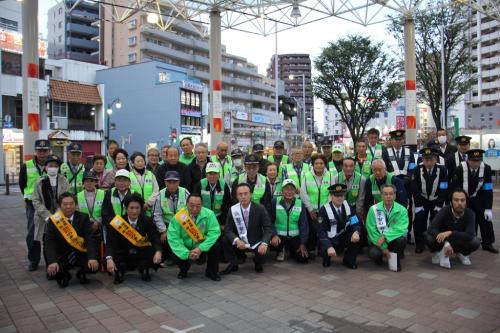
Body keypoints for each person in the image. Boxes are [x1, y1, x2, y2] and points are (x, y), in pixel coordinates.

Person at [45, 192, 100, 287]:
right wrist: (52, 261)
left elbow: (90, 238)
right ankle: (65, 275)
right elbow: (49, 243)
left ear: (76, 205)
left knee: (93, 266)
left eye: (71, 203)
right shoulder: (53, 220)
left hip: (80, 253)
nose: (68, 207)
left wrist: (92, 258)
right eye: (65, 204)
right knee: (55, 272)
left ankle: (81, 273)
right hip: (62, 255)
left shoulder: (83, 217)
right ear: (59, 206)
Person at [105, 193, 162, 283]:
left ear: (141, 208)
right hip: (123, 252)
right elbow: (110, 243)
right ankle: (120, 270)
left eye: (137, 208)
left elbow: (155, 238)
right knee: (112, 255)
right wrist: (109, 259)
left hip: (140, 252)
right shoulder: (117, 223)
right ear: (126, 208)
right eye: (131, 208)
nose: (134, 211)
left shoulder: (147, 220)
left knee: (153, 250)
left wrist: (158, 252)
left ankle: (144, 268)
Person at [451, 149, 497, 253]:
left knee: (485, 220)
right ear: (468, 160)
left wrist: (488, 208)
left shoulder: (486, 169)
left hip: (480, 199)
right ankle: (466, 242)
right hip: (463, 200)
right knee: (465, 221)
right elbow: (455, 187)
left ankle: (487, 243)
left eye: (478, 161)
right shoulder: (459, 169)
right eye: (473, 161)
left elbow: (488, 189)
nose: (475, 163)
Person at [167, 194, 222, 281]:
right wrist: (187, 253)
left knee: (216, 246)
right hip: (185, 247)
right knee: (174, 253)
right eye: (192, 206)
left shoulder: (209, 214)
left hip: (201, 246)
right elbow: (174, 238)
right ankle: (184, 269)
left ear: (202, 204)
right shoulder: (178, 217)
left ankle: (212, 272)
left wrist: (201, 248)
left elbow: (214, 232)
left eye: (198, 206)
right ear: (186, 204)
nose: (195, 209)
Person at [222, 183, 273, 274]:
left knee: (264, 250)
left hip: (256, 241)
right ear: (236, 196)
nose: (243, 197)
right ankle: (234, 263)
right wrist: (237, 240)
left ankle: (257, 262)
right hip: (240, 242)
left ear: (251, 194)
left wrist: (264, 243)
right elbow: (227, 229)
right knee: (225, 240)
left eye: (246, 193)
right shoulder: (233, 209)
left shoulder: (260, 208)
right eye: (240, 194)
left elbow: (268, 228)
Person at [425, 189, 481, 268]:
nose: (459, 203)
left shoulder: (470, 213)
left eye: (462, 200)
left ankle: (462, 254)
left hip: (459, 240)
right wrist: (445, 243)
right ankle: (437, 252)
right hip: (443, 242)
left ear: (466, 202)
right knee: (428, 237)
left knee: (475, 242)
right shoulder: (444, 210)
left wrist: (450, 232)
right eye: (456, 200)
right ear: (451, 202)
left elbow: (470, 234)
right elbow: (431, 228)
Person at [19, 139, 51, 271]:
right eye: (40, 151)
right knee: (33, 233)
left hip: (49, 204)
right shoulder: (27, 166)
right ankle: (34, 260)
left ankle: (51, 259)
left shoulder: (54, 165)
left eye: (45, 150)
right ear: (35, 151)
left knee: (49, 233)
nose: (42, 153)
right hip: (32, 205)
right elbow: (22, 185)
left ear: (49, 151)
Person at [411, 148, 448, 253]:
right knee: (419, 220)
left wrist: (439, 204)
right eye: (426, 160)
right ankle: (420, 244)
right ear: (422, 159)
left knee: (436, 221)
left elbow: (444, 187)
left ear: (435, 159)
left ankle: (434, 244)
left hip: (436, 199)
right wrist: (418, 205)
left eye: (431, 159)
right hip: (422, 199)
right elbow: (415, 188)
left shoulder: (443, 169)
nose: (428, 162)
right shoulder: (417, 169)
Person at [32, 155, 70, 256]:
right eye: (50, 165)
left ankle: (61, 263)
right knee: (47, 241)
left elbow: (67, 198)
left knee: (61, 240)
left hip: (60, 215)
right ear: (45, 167)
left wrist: (59, 211)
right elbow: (35, 200)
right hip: (44, 218)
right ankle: (50, 264)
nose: (53, 168)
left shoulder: (64, 180)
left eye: (55, 166)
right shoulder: (39, 182)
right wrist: (47, 215)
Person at [317, 184, 362, 269]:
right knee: (325, 260)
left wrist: (356, 232)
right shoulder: (324, 210)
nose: (339, 198)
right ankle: (327, 255)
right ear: (331, 196)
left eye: (341, 195)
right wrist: (328, 246)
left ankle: (348, 260)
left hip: (343, 237)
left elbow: (355, 222)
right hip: (330, 240)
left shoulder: (347, 206)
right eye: (336, 195)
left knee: (356, 237)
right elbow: (321, 231)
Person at [366, 184, 408, 272]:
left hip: (392, 239)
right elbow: (371, 230)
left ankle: (395, 259)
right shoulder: (373, 209)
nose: (388, 196)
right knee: (374, 253)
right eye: (385, 194)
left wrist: (385, 236)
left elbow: (401, 228)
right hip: (378, 241)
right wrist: (384, 247)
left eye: (391, 194)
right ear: (381, 195)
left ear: (395, 195)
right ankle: (380, 257)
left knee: (401, 240)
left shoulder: (402, 210)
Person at [300, 154, 336, 257]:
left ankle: (323, 248)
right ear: (313, 164)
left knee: (324, 229)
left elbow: (332, 193)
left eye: (321, 163)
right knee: (311, 230)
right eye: (316, 163)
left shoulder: (330, 176)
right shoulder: (306, 176)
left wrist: (326, 208)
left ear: (325, 164)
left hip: (325, 210)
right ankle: (311, 249)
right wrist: (310, 209)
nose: (319, 165)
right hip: (311, 210)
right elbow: (303, 193)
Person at [152, 171, 190, 264]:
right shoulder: (159, 195)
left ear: (179, 182)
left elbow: (191, 211)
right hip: (167, 224)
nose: (172, 185)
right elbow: (156, 215)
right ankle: (168, 257)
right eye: (169, 182)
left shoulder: (185, 192)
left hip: (183, 224)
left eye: (174, 182)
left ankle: (185, 255)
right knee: (162, 236)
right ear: (165, 182)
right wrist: (163, 230)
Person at [269, 179, 309, 263]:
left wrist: (303, 243)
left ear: (295, 191)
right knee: (273, 244)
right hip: (279, 237)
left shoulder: (300, 203)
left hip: (294, 237)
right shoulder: (274, 202)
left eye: (292, 189)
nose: (289, 192)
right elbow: (270, 221)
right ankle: (280, 250)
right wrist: (274, 235)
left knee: (303, 259)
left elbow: (304, 225)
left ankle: (291, 250)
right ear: (282, 191)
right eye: (286, 189)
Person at [129, 152, 159, 217]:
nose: (140, 163)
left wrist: (148, 203)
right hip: (135, 208)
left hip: (150, 208)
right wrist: (140, 204)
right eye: (137, 161)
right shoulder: (129, 175)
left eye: (142, 161)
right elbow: (129, 191)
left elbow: (156, 191)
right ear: (133, 163)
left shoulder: (150, 174)